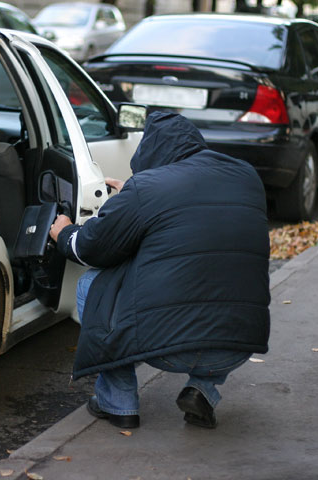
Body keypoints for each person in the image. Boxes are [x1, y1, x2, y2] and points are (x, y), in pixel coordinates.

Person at [49, 112, 270, 429]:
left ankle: (119, 402)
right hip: (238, 344)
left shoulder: (147, 188)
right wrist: (137, 194)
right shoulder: (246, 176)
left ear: (150, 152)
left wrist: (64, 233)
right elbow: (194, 213)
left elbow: (92, 249)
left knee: (91, 285)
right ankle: (202, 390)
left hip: (168, 348)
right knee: (228, 284)